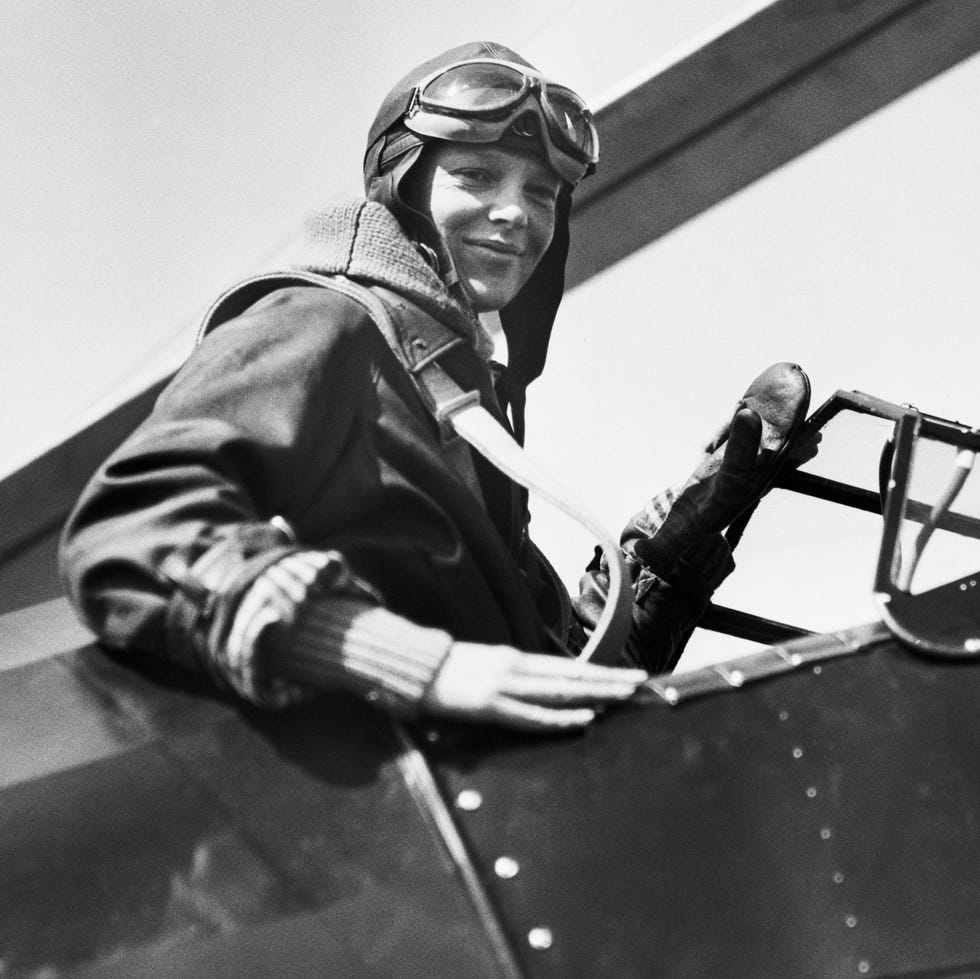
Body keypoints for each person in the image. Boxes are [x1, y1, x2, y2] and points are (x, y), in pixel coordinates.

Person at [59, 42, 809, 733]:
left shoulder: (454, 403)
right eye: (477, 175)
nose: (517, 212)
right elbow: (131, 524)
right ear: (407, 185)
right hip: (367, 852)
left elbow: (557, 679)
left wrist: (670, 563)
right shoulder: (326, 323)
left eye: (543, 193)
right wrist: (417, 665)